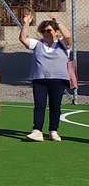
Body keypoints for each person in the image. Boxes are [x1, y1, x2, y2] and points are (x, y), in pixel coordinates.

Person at [19, 11, 72, 142]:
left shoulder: (62, 44)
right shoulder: (38, 43)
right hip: (39, 79)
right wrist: (26, 24)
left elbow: (69, 36)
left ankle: (53, 131)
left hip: (58, 79)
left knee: (55, 106)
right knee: (39, 105)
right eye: (43, 31)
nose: (46, 33)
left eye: (48, 30)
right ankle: (37, 130)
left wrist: (57, 22)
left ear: (56, 31)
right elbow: (23, 39)